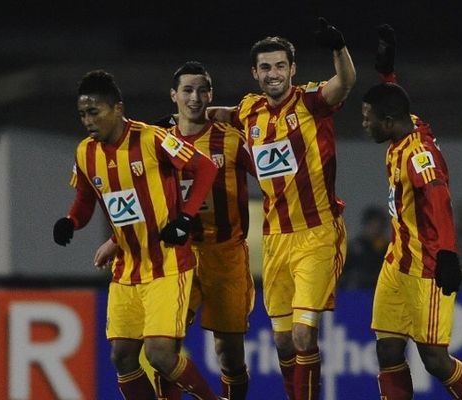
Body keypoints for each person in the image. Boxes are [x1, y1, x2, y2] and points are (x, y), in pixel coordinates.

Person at [52, 70, 226, 400]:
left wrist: (186, 218)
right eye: (83, 114)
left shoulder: (152, 139)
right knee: (122, 356)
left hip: (168, 264)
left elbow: (205, 167)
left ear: (117, 108)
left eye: (94, 112)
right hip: (127, 270)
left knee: (159, 353)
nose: (88, 121)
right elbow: (86, 200)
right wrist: (71, 221)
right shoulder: (85, 153)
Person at [210, 17, 356, 400]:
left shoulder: (311, 101)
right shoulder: (249, 109)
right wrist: (188, 120)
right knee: (284, 343)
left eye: (279, 66)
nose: (272, 74)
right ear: (255, 72)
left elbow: (346, 83)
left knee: (305, 334)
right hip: (275, 239)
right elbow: (225, 115)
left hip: (318, 233)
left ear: (292, 69)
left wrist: (339, 49)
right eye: (265, 67)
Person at [94, 61, 256, 400]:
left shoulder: (231, 140)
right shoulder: (159, 141)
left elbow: (273, 180)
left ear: (211, 95)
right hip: (175, 255)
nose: (195, 98)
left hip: (225, 253)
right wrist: (115, 240)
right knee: (166, 346)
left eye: (202, 90)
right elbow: (142, 198)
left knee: (229, 352)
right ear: (174, 96)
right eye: (187, 90)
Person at [362, 27, 462, 399]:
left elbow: (439, 201)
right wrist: (388, 76)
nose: (364, 124)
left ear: (386, 123)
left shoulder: (419, 157)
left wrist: (447, 254)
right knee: (387, 349)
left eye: (368, 118)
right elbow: (397, 104)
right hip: (396, 261)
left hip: (427, 266)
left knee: (434, 358)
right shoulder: (405, 126)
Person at [340, 206, 389, 290]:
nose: (375, 230)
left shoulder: (387, 249)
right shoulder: (354, 248)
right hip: (357, 293)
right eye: (372, 226)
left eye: (378, 227)